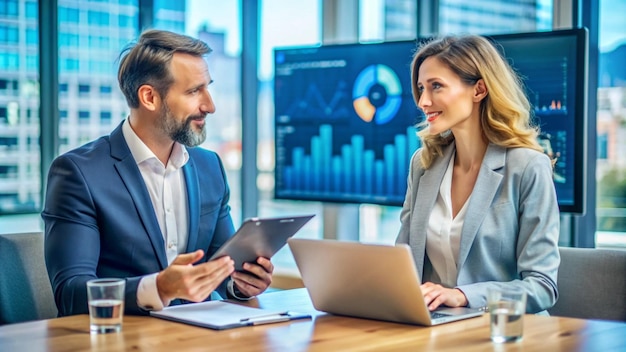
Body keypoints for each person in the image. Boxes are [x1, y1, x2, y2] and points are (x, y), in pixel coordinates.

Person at [42, 29, 273, 316]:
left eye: (207, 87)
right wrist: (159, 288)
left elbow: (222, 269)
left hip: (198, 340)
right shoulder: (78, 173)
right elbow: (71, 293)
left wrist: (241, 284)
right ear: (149, 97)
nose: (210, 106)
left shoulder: (209, 167)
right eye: (193, 91)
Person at [396, 34, 560, 314]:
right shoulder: (423, 165)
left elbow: (542, 286)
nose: (423, 101)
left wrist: (462, 295)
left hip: (506, 333)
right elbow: (403, 265)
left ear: (479, 90)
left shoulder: (527, 166)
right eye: (421, 88)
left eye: (436, 86)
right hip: (437, 329)